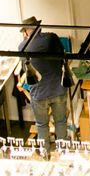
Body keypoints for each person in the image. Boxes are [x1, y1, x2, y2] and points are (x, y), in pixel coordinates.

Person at [19, 17, 71, 151]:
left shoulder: (22, 47)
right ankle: (63, 151)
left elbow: (26, 70)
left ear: (26, 31)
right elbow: (62, 59)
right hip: (58, 89)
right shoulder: (52, 38)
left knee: (41, 125)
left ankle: (45, 153)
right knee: (60, 122)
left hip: (39, 93)